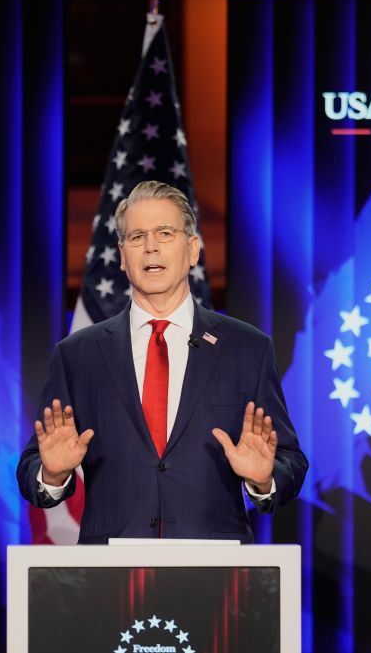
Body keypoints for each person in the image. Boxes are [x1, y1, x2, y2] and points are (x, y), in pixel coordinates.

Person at [16, 181, 307, 543]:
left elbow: (290, 461)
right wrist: (54, 474)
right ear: (122, 256)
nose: (150, 246)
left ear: (193, 249)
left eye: (165, 233)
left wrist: (263, 479)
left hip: (214, 572)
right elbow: (32, 469)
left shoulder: (246, 348)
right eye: (137, 237)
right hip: (110, 576)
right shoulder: (78, 354)